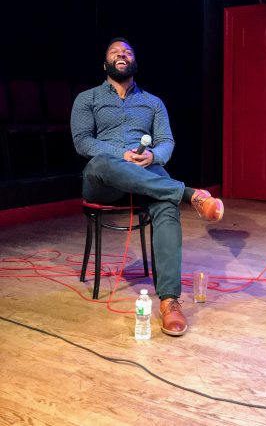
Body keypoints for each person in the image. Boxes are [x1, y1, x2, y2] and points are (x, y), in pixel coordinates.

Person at [71, 38, 225, 337]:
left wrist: (154, 156)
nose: (121, 54)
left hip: (146, 173)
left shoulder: (153, 103)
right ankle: (189, 194)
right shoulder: (86, 99)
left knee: (165, 203)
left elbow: (166, 141)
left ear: (134, 63)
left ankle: (169, 300)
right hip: (104, 178)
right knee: (104, 162)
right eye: (114, 51)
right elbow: (83, 141)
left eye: (127, 52)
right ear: (105, 64)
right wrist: (121, 154)